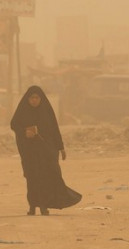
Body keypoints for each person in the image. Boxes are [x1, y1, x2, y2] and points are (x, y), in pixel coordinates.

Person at [9, 85, 82, 216]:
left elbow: (54, 129)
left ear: (41, 99)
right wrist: (24, 132)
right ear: (27, 99)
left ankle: (43, 206)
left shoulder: (46, 111)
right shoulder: (23, 111)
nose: (34, 100)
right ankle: (32, 206)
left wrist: (61, 147)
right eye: (32, 98)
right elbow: (14, 124)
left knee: (45, 178)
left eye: (37, 98)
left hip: (46, 152)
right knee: (31, 178)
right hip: (29, 152)